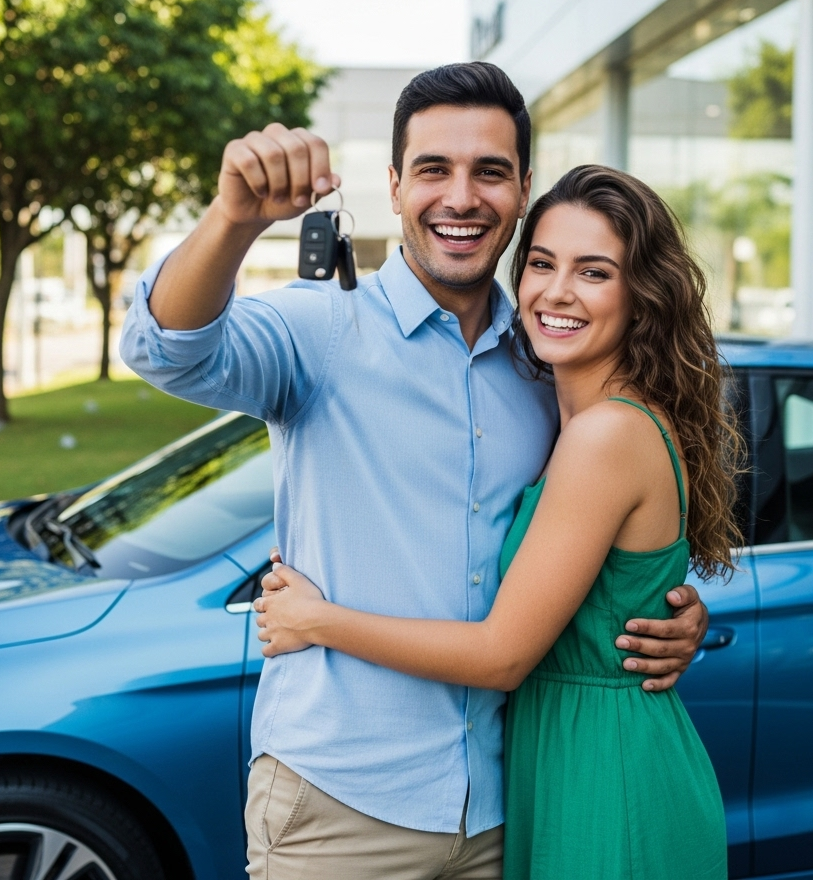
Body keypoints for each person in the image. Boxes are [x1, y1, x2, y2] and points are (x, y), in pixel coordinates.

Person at [119, 64, 711, 880]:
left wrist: (661, 609)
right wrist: (232, 219)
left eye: (490, 172)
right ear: (395, 186)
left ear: (522, 189)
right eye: (434, 169)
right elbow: (165, 350)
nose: (461, 197)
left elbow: (597, 541)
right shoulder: (321, 327)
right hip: (341, 809)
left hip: (509, 806)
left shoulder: (548, 367)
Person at [255, 164, 738, 879]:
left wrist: (317, 621)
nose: (556, 292)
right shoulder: (558, 411)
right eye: (541, 264)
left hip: (608, 775)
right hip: (560, 757)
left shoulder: (605, 435)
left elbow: (503, 654)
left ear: (643, 297)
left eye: (595, 272)